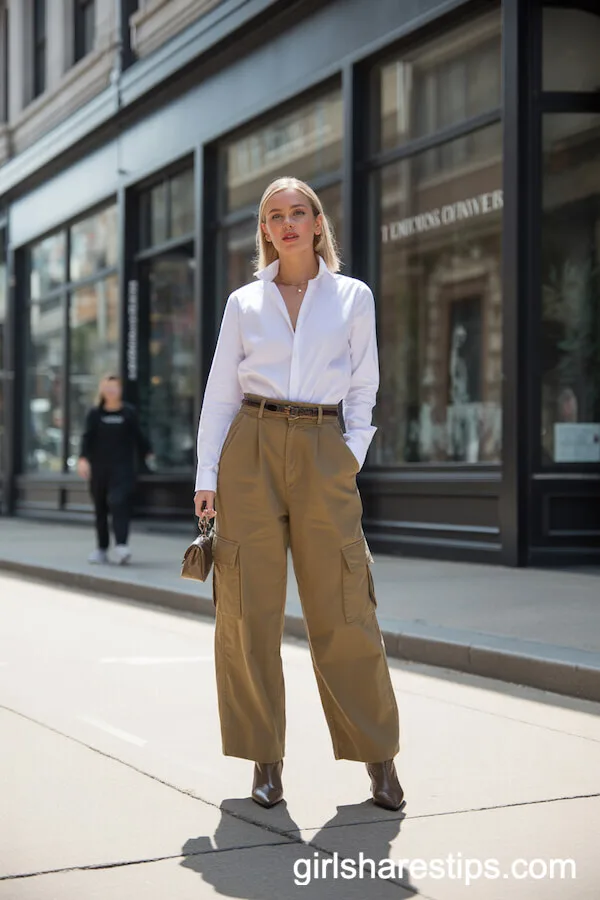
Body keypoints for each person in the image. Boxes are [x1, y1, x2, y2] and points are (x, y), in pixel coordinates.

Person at [194, 176, 403, 812]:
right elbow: (221, 395)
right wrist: (207, 477)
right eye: (274, 216)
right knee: (248, 609)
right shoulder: (243, 303)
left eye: (298, 213)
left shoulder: (351, 297)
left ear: (317, 223)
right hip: (249, 448)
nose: (286, 224)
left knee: (344, 606)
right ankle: (265, 761)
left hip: (321, 446)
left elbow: (365, 385)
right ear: (265, 230)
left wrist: (349, 454)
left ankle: (380, 760)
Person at [77, 374, 153, 565]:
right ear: (102, 390)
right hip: (99, 468)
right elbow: (87, 439)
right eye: (107, 387)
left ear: (120, 390)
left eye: (114, 387)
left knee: (118, 502)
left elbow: (138, 436)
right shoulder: (95, 414)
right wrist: (83, 459)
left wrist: (148, 452)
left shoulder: (128, 412)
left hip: (123, 468)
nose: (111, 391)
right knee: (100, 508)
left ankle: (121, 545)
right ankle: (102, 548)